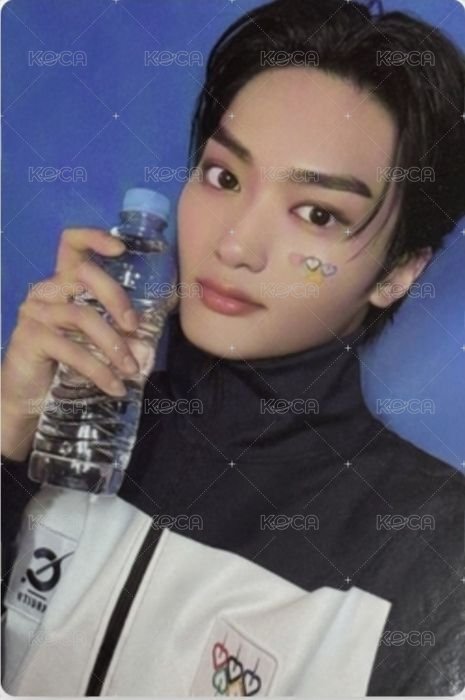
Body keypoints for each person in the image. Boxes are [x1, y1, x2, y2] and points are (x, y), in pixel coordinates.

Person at [2, 0, 465, 695]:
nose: (235, 245)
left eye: (317, 213)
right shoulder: (70, 425)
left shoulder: (436, 547)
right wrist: (7, 440)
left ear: (397, 273)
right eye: (224, 177)